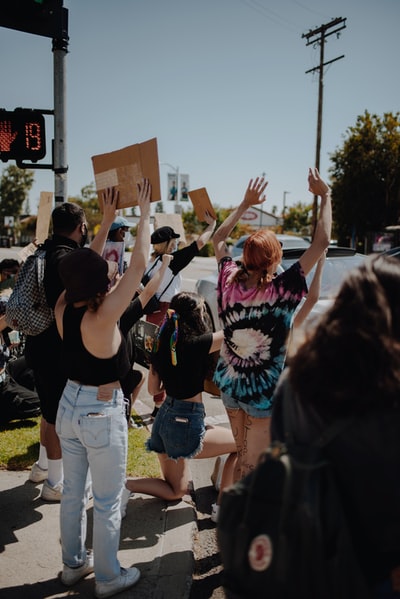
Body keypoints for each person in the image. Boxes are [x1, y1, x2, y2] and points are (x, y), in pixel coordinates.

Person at [271, 253, 400, 598]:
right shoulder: (387, 394)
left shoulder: (294, 381)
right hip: (374, 568)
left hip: (305, 552)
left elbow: (280, 459)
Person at [54, 181, 151, 598]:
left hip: (68, 405)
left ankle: (74, 566)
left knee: (73, 493)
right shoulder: (104, 316)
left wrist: (107, 220)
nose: (113, 276)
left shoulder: (63, 305)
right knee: (108, 500)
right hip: (100, 408)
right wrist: (146, 215)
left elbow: (82, 265)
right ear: (98, 286)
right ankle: (109, 577)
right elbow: (139, 265)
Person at [212, 168, 331, 481]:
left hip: (230, 385)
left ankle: (231, 519)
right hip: (261, 393)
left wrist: (244, 204)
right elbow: (322, 241)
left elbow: (219, 237)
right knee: (253, 468)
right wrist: (326, 195)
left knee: (242, 459)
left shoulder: (228, 280)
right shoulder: (282, 289)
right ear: (274, 258)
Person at [26, 198, 116, 499]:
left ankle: (41, 467)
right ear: (81, 227)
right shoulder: (64, 258)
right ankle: (54, 483)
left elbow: (85, 262)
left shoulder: (48, 250)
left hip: (38, 345)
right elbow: (85, 266)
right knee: (54, 416)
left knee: (48, 410)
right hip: (54, 350)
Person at [121, 291, 237, 521]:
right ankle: (221, 509)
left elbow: (154, 390)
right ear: (195, 316)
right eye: (202, 311)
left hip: (163, 421)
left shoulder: (161, 346)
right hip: (185, 425)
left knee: (176, 491)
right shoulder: (199, 343)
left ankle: (124, 486)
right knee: (240, 445)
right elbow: (235, 331)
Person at [145, 213, 217, 416]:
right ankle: (165, 404)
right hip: (168, 312)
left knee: (156, 358)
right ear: (168, 243)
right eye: (174, 240)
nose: (176, 243)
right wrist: (212, 225)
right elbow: (199, 243)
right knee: (174, 356)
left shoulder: (151, 263)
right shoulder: (172, 262)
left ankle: (158, 404)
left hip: (152, 312)